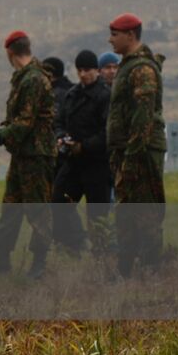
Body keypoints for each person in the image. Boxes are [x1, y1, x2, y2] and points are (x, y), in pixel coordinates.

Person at [0, 31, 55, 279]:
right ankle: (0, 258)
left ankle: (40, 263)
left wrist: (1, 136)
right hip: (23, 154)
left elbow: (25, 122)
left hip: (36, 154)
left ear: (9, 52)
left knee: (37, 210)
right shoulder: (25, 78)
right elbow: (19, 120)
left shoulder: (32, 79)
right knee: (11, 206)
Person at [105, 13, 167, 275]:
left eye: (115, 34)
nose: (111, 40)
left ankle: (151, 272)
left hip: (140, 154)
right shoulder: (128, 66)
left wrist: (132, 156)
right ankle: (125, 271)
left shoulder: (142, 68)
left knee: (145, 213)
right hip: (127, 152)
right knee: (126, 214)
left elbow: (143, 117)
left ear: (130, 35)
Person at [51, 49, 112, 255]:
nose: (83, 74)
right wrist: (61, 137)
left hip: (97, 165)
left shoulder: (105, 96)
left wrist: (84, 146)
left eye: (87, 70)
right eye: (80, 70)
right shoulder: (72, 95)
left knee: (98, 217)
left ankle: (104, 260)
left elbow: (107, 133)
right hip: (74, 164)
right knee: (59, 201)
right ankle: (73, 244)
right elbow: (59, 122)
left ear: (96, 70)